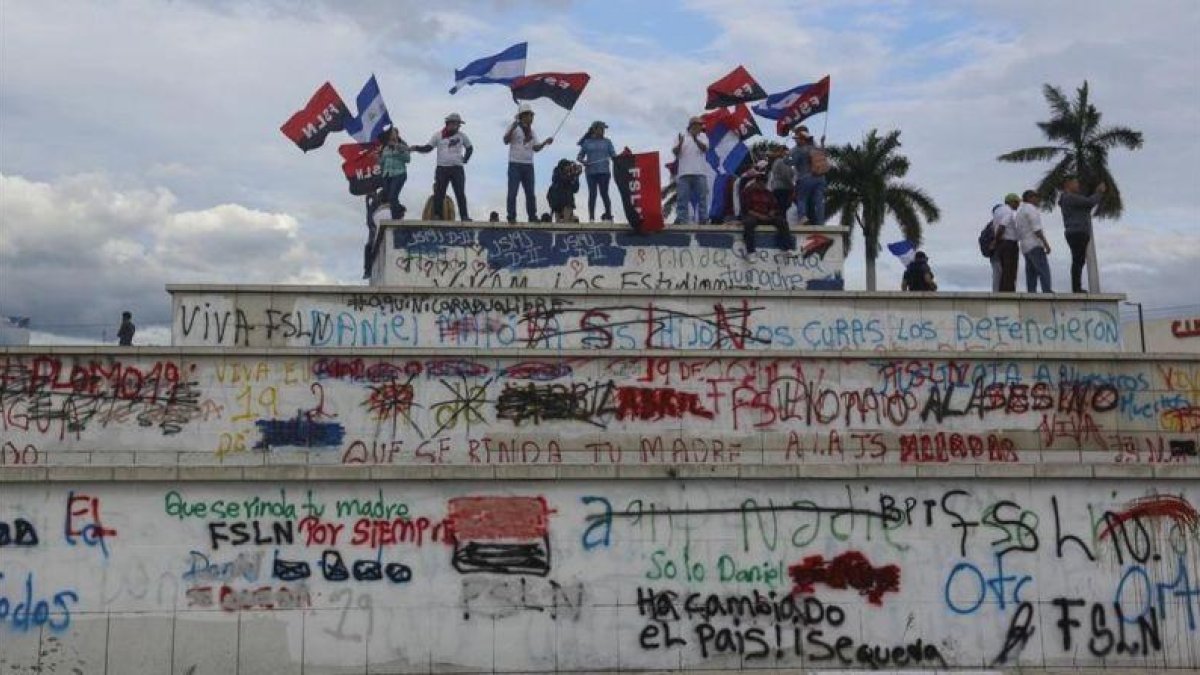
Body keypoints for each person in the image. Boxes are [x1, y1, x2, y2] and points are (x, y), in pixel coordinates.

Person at [412, 113, 472, 221]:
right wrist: (416, 148)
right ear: (449, 123)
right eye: (457, 124)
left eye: (459, 124)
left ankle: (464, 216)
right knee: (439, 193)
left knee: (460, 193)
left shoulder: (462, 136)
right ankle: (437, 215)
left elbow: (470, 147)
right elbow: (428, 148)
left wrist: (465, 159)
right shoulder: (438, 135)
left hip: (457, 168)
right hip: (442, 168)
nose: (458, 126)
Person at [504, 102, 553, 223]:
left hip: (528, 165)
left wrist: (545, 142)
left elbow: (535, 148)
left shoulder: (532, 132)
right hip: (515, 163)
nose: (531, 118)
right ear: (523, 116)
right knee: (512, 191)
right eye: (529, 115)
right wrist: (512, 128)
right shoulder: (514, 127)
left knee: (530, 193)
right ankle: (511, 216)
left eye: (532, 116)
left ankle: (532, 216)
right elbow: (505, 140)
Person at [1059, 177, 1107, 293]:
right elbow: (1089, 202)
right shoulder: (1069, 197)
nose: (1078, 185)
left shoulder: (1067, 198)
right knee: (1078, 260)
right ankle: (1076, 288)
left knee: (1079, 260)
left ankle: (1077, 287)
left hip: (1077, 231)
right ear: (1068, 184)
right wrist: (1099, 192)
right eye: (1075, 183)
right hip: (1077, 232)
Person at [576, 120, 617, 221]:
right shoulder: (587, 142)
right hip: (591, 172)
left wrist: (617, 158)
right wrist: (583, 161)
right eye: (601, 129)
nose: (603, 131)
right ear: (595, 129)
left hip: (604, 172)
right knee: (592, 194)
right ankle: (591, 218)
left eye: (603, 129)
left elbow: (613, 155)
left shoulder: (607, 142)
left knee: (604, 193)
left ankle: (608, 216)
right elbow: (579, 156)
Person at [672, 117, 709, 224]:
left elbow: (705, 149)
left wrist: (695, 139)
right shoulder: (681, 137)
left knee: (702, 198)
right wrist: (680, 143)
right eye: (698, 125)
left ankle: (703, 219)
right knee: (682, 198)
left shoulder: (703, 136)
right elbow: (675, 152)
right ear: (692, 126)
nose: (700, 127)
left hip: (700, 172)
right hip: (684, 173)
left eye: (701, 125)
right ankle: (682, 220)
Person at [740, 171, 788, 253]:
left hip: (766, 216)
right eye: (761, 184)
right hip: (753, 215)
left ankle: (786, 247)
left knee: (782, 221)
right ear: (757, 182)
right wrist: (760, 216)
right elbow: (747, 209)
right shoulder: (748, 192)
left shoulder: (768, 193)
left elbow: (774, 206)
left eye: (764, 184)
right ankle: (751, 251)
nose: (763, 186)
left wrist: (772, 212)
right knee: (749, 223)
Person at [1015, 190, 1052, 293]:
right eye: (1036, 197)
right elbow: (1037, 230)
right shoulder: (1031, 209)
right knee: (1043, 270)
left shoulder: (1020, 212)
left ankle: (1031, 294)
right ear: (1030, 198)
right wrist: (1046, 244)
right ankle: (1047, 291)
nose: (1038, 200)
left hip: (1025, 247)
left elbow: (1018, 232)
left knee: (1031, 273)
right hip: (1035, 244)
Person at [788, 125, 826, 226]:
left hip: (805, 178)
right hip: (820, 177)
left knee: (801, 199)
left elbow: (790, 162)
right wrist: (822, 143)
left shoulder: (798, 149)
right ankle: (820, 222)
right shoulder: (815, 146)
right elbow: (823, 155)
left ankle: (803, 218)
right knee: (819, 201)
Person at [377, 127, 411, 220]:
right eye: (390, 133)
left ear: (397, 134)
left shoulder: (402, 145)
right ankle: (400, 209)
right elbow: (382, 161)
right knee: (389, 197)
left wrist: (397, 150)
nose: (391, 135)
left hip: (399, 174)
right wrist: (377, 158)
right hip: (387, 174)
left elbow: (407, 159)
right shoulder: (384, 147)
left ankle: (396, 218)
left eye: (393, 133)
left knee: (393, 196)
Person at [990, 193, 1020, 292]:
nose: (1018, 205)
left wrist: (996, 241)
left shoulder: (997, 212)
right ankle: (1008, 292)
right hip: (1009, 243)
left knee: (1004, 270)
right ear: (1012, 202)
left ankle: (1002, 291)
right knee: (1010, 271)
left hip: (1001, 244)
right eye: (1017, 202)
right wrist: (995, 241)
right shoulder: (1008, 211)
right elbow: (1002, 226)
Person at [767, 145, 794, 228]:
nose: (788, 153)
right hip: (783, 188)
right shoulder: (782, 161)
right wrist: (792, 186)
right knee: (782, 208)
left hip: (778, 188)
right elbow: (785, 175)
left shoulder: (776, 161)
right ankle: (782, 225)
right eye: (786, 151)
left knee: (781, 208)